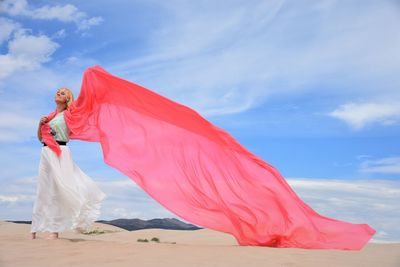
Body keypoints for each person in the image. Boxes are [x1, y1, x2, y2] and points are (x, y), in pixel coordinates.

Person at [30, 87, 107, 240]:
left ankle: (54, 230)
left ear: (67, 100)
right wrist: (40, 124)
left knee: (59, 190)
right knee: (43, 189)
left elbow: (85, 109)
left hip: (60, 151)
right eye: (58, 91)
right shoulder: (50, 116)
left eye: (64, 93)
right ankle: (34, 229)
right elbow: (41, 138)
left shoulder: (69, 114)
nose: (59, 93)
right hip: (46, 152)